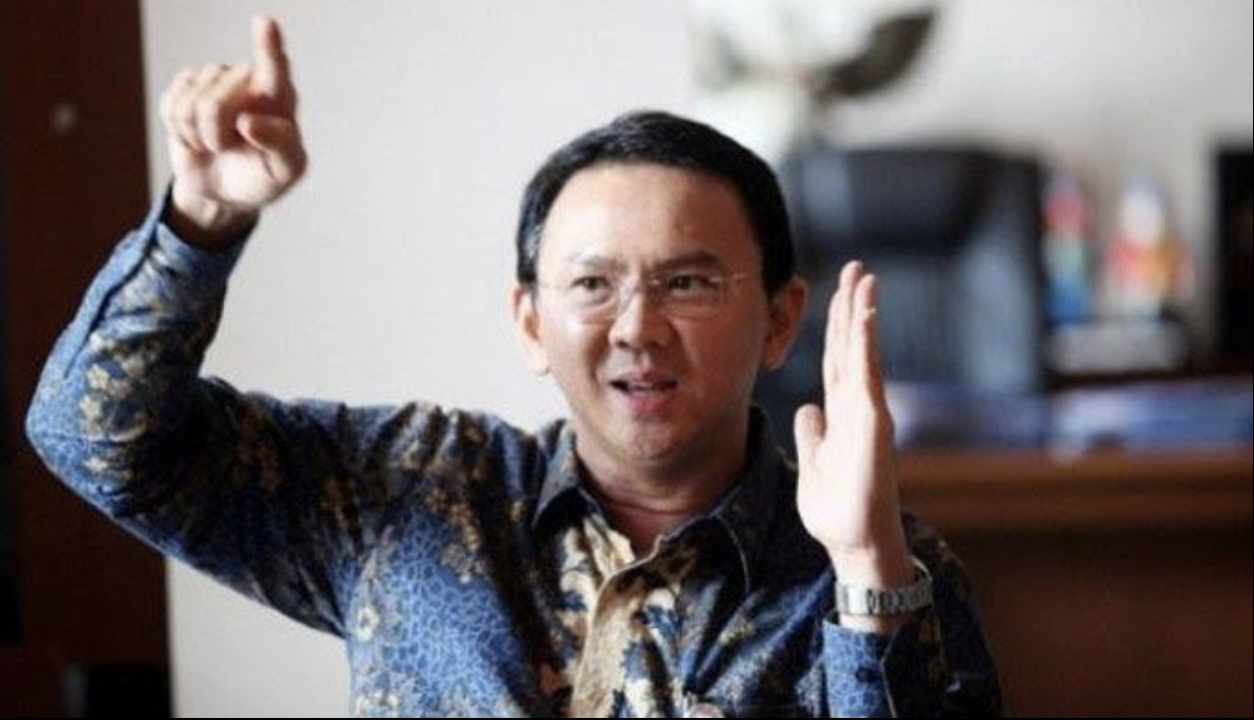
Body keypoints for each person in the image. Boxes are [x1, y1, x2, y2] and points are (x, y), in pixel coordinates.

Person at [25, 16, 1000, 718]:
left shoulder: (884, 562)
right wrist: (200, 223)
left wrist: (865, 576)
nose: (638, 329)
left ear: (781, 320)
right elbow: (92, 440)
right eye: (592, 285)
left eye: (688, 283)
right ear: (530, 324)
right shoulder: (410, 488)